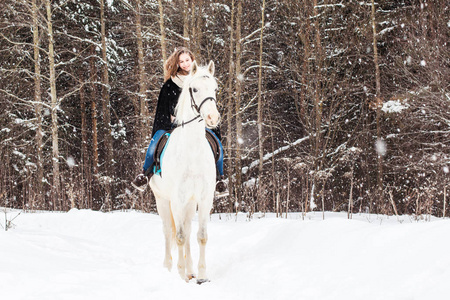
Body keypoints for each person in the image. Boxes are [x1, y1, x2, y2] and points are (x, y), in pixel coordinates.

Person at [132, 47, 227, 196]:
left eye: (187, 60)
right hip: (173, 125)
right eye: (181, 61)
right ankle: (145, 173)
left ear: (192, 60)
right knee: (154, 144)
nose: (185, 64)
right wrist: (171, 120)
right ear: (177, 63)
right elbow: (163, 108)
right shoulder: (170, 85)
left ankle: (219, 179)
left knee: (218, 146)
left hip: (199, 124)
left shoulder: (202, 80)